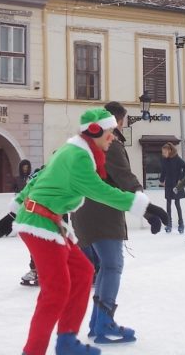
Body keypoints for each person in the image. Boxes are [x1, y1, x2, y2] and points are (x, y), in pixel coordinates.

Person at [0, 107, 169, 355]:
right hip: (39, 225)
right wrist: (145, 207)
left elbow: (38, 178)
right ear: (95, 131)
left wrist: (13, 211)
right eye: (110, 132)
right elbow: (100, 190)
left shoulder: (72, 150)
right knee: (55, 292)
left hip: (49, 222)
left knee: (83, 271)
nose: (113, 137)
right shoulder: (79, 158)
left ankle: (67, 342)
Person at [71, 101, 146, 344]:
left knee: (105, 266)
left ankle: (97, 323)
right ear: (119, 120)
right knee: (113, 265)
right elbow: (123, 175)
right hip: (102, 214)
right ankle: (104, 323)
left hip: (83, 213)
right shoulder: (110, 143)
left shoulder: (86, 143)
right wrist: (141, 199)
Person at [159, 142, 185, 233]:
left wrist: (181, 179)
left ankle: (181, 224)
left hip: (176, 185)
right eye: (162, 152)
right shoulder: (164, 160)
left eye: (165, 152)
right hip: (168, 184)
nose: (163, 154)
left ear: (170, 151)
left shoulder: (177, 159)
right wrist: (161, 180)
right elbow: (163, 170)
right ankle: (169, 224)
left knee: (177, 203)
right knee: (168, 204)